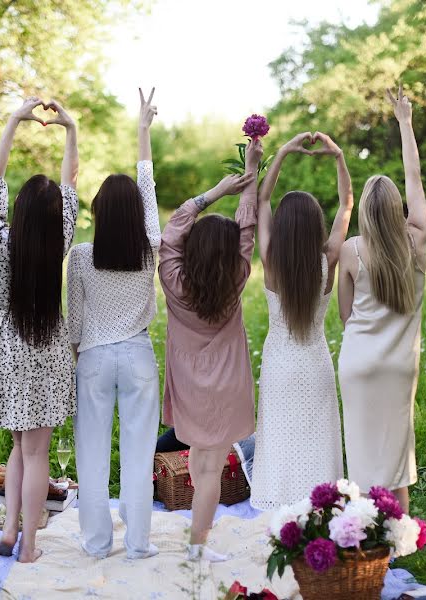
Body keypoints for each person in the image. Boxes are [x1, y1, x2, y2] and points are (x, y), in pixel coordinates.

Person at [0, 97, 79, 563]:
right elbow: (71, 182)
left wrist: (14, 121)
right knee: (36, 453)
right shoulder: (60, 240)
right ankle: (29, 545)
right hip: (46, 348)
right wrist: (70, 131)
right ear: (55, 218)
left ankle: (12, 530)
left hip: (5, 348)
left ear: (16, 210)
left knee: (17, 445)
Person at [66, 88, 160, 560]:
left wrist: (78, 360)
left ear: (99, 214)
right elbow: (148, 187)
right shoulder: (150, 250)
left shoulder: (80, 257)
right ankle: (139, 545)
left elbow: (76, 329)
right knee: (140, 454)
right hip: (138, 354)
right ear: (140, 217)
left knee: (92, 455)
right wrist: (143, 131)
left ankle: (97, 543)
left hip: (95, 358)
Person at [158, 140, 262, 562]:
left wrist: (216, 192)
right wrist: (251, 175)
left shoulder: (173, 278)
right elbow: (248, 226)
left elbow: (173, 230)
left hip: (188, 384)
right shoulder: (236, 276)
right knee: (210, 469)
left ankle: (196, 542)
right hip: (225, 386)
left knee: (200, 462)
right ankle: (198, 546)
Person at [337, 85, 426, 513]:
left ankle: (364, 544)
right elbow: (414, 177)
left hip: (358, 364)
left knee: (361, 457)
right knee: (396, 457)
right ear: (398, 211)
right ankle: (400, 537)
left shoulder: (351, 250)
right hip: (398, 367)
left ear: (364, 215)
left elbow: (344, 315)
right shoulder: (416, 242)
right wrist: (404, 122)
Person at [250, 131, 353, 510]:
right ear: (314, 226)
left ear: (282, 226)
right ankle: (322, 505)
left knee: (279, 437)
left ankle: (279, 504)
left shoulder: (272, 260)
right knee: (318, 439)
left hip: (280, 363)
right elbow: (346, 205)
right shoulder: (327, 260)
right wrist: (338, 156)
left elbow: (261, 198)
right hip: (314, 363)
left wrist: (283, 153)